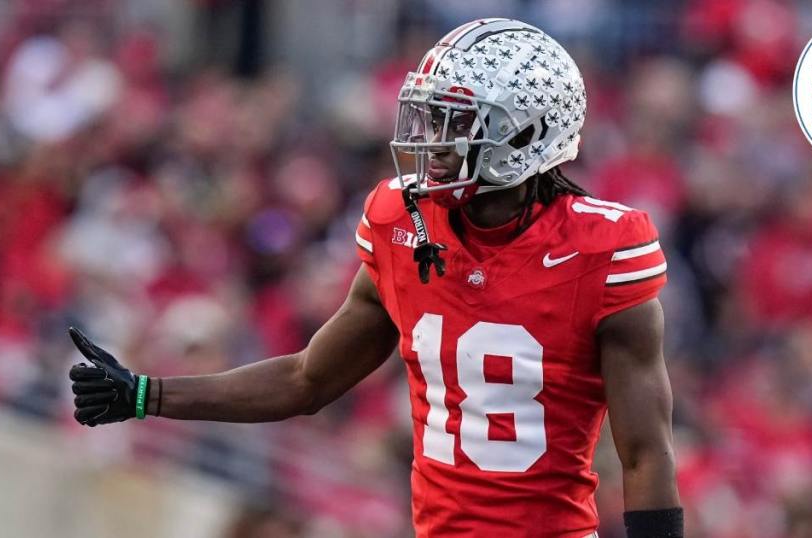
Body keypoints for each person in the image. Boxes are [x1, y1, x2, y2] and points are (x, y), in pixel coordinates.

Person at [69, 18, 682, 538]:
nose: (433, 141)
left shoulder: (603, 249)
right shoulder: (400, 221)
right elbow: (306, 379)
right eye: (432, 116)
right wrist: (146, 394)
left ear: (522, 134)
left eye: (456, 121)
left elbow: (645, 450)